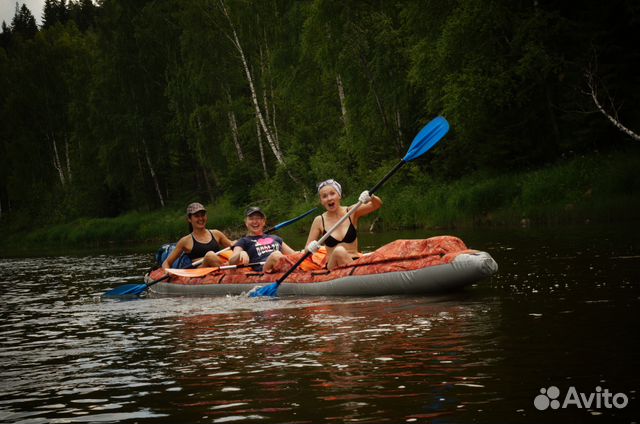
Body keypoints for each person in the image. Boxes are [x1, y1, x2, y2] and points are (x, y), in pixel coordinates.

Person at [306, 179, 382, 270]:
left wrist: (371, 197)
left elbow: (377, 205)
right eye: (324, 196)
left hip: (354, 261)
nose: (329, 198)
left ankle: (358, 275)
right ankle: (359, 275)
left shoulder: (351, 212)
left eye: (332, 193)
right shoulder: (319, 220)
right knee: (339, 251)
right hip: (333, 266)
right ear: (321, 201)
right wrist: (310, 248)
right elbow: (306, 250)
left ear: (339, 195)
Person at [162, 202, 234, 269]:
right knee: (210, 256)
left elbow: (232, 245)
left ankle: (228, 269)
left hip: (218, 265)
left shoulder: (216, 233)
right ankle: (227, 270)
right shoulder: (185, 241)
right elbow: (167, 263)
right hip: (200, 270)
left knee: (238, 250)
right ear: (189, 219)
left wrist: (240, 243)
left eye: (203, 215)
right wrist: (167, 271)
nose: (201, 219)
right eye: (196, 216)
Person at [229, 207, 296, 272]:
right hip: (264, 268)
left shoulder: (275, 238)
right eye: (251, 219)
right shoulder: (243, 241)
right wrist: (241, 253)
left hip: (281, 262)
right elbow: (231, 261)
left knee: (305, 251)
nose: (255, 221)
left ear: (264, 222)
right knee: (276, 255)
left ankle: (296, 270)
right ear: (246, 222)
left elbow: (294, 254)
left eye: (258, 218)